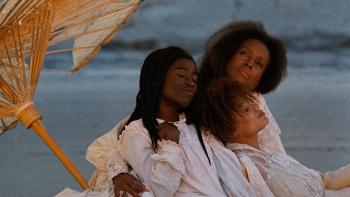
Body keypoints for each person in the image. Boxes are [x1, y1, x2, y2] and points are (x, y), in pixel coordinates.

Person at [86, 21, 288, 196]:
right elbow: (116, 141)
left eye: (260, 64)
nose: (250, 64)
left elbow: (276, 159)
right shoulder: (192, 97)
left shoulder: (257, 103)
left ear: (264, 76)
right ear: (227, 54)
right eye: (244, 53)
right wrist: (118, 172)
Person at [198, 77, 350, 197]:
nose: (257, 107)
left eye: (251, 103)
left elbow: (323, 181)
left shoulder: (268, 153)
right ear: (229, 128)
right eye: (246, 109)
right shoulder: (244, 165)